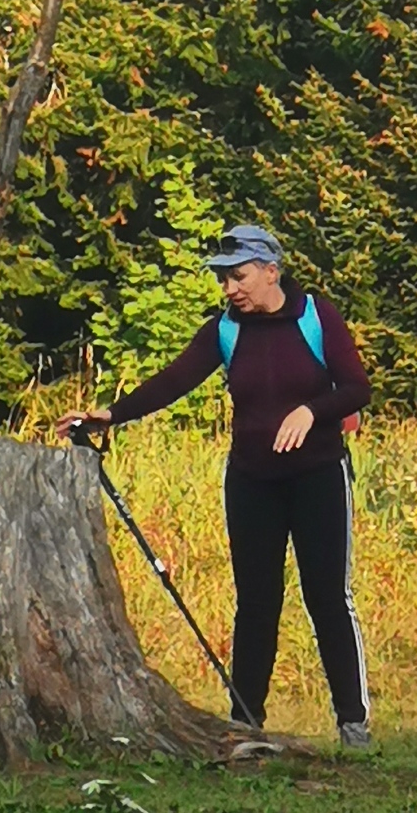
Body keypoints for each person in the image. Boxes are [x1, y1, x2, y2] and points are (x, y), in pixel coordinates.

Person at [58, 222, 374, 745]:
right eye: (224, 279)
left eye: (238, 277)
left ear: (272, 272)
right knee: (256, 600)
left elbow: (356, 389)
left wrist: (310, 412)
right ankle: (245, 722)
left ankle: (353, 723)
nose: (229, 289)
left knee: (327, 597)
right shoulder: (226, 329)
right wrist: (109, 415)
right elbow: (174, 380)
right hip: (251, 481)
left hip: (318, 476)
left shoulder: (316, 317)